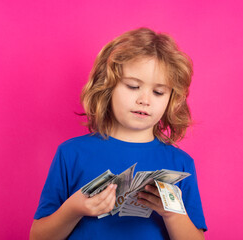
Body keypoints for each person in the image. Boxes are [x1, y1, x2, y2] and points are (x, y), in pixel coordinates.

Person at [30, 27, 207, 240]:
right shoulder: (71, 153)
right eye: (133, 86)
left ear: (172, 99)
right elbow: (38, 237)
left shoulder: (180, 163)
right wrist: (73, 209)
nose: (145, 99)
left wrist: (172, 214)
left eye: (158, 92)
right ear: (108, 87)